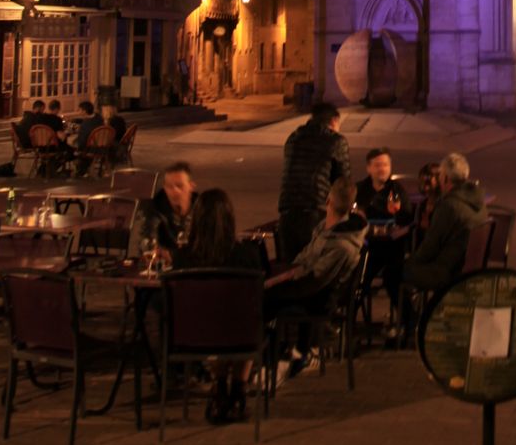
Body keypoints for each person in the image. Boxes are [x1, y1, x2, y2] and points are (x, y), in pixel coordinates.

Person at [169, 186, 261, 423]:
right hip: (239, 338)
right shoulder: (246, 255)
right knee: (245, 315)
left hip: (192, 337)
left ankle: (219, 385)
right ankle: (239, 387)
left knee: (213, 316)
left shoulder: (182, 258)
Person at [266, 177, 365, 376]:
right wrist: (287, 272)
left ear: (328, 200)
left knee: (266, 300)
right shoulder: (326, 227)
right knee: (267, 292)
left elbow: (316, 278)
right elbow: (305, 258)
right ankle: (285, 353)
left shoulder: (342, 245)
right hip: (311, 288)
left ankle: (276, 359)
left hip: (320, 298)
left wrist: (285, 278)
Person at [402, 151, 488, 301]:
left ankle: (412, 322)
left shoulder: (449, 206)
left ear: (446, 178)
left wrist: (411, 261)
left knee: (393, 271)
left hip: (447, 270)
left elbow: (430, 245)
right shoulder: (480, 204)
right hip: (470, 267)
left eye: (440, 176)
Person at [277, 101, 350, 260]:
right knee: (313, 268)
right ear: (333, 121)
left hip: (286, 214)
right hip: (315, 214)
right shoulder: (336, 141)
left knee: (289, 271)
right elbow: (343, 183)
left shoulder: (293, 138)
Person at [355, 149, 414, 324]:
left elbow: (407, 219)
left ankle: (409, 324)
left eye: (386, 165)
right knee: (358, 279)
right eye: (378, 165)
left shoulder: (396, 190)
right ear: (369, 168)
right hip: (366, 247)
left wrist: (397, 217)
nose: (382, 169)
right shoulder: (360, 190)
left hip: (391, 247)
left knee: (393, 279)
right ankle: (346, 322)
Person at [148, 161, 199, 252]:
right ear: (164, 188)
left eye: (180, 186)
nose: (175, 191)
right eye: (169, 186)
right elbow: (148, 241)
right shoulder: (155, 210)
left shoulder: (203, 209)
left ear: (191, 186)